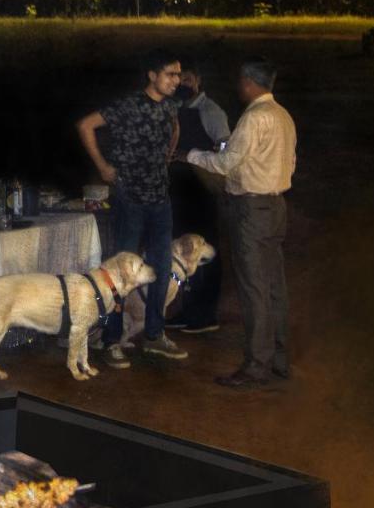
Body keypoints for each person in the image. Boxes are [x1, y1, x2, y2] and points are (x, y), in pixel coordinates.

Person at [186, 58, 297, 388]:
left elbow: (227, 163)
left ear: (249, 82)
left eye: (240, 81)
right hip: (276, 205)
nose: (238, 86)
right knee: (274, 286)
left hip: (251, 209)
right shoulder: (283, 116)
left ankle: (256, 365)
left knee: (254, 289)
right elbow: (290, 162)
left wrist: (191, 155)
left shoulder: (254, 117)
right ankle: (278, 358)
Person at [76, 49, 187, 367]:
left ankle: (154, 336)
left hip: (160, 200)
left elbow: (175, 128)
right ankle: (111, 340)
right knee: (122, 272)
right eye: (170, 74)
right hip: (130, 199)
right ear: (152, 75)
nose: (176, 80)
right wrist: (102, 166)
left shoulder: (170, 105)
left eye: (178, 74)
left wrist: (168, 154)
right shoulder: (128, 105)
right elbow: (85, 125)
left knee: (162, 268)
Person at [167, 62, 231, 334]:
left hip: (202, 191)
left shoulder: (210, 111)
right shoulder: (176, 109)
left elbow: (227, 147)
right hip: (179, 192)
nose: (183, 84)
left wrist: (200, 158)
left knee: (206, 252)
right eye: (180, 79)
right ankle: (189, 311)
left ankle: (205, 316)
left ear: (199, 81)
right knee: (184, 251)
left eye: (189, 79)